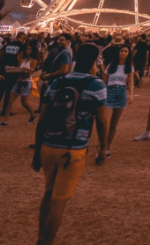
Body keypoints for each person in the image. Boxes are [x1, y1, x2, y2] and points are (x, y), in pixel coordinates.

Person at [32, 43, 107, 245]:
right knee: (59, 201)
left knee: (48, 193)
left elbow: (42, 120)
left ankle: (41, 236)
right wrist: (103, 147)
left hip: (49, 144)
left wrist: (36, 150)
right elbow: (101, 120)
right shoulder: (96, 84)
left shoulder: (57, 82)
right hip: (73, 148)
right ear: (94, 62)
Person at [100, 43, 134, 158]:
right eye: (122, 51)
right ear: (118, 52)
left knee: (114, 123)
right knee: (104, 122)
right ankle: (102, 146)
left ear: (128, 53)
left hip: (121, 92)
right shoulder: (111, 65)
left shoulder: (129, 67)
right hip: (110, 91)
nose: (123, 53)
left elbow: (130, 81)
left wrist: (131, 95)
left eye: (126, 51)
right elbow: (105, 80)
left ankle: (107, 147)